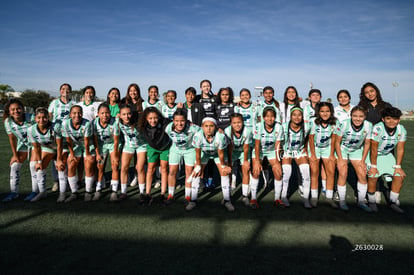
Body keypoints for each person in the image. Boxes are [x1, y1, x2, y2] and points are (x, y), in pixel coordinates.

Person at [366, 107, 407, 213]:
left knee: (399, 176)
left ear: (399, 120)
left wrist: (398, 167)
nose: (391, 121)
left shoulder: (401, 129)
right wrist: (374, 166)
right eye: (388, 118)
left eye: (395, 119)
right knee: (373, 176)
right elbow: (374, 149)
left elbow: (400, 148)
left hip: (387, 155)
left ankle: (393, 202)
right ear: (383, 119)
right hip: (373, 155)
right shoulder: (378, 128)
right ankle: (371, 202)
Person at [334, 106, 372, 211]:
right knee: (343, 172)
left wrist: (363, 161)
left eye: (361, 116)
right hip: (343, 149)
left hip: (356, 150)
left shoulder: (368, 125)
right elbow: (337, 142)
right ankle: (342, 202)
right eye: (355, 116)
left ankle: (361, 202)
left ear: (365, 117)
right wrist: (340, 158)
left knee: (362, 174)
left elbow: (367, 143)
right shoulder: (344, 124)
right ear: (351, 116)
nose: (357, 119)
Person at [190, 117, 233, 211]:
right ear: (202, 127)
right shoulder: (198, 136)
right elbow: (197, 153)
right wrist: (198, 166)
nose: (208, 128)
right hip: (204, 154)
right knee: (197, 173)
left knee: (224, 173)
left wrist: (223, 167)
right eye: (206, 126)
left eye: (211, 126)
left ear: (215, 127)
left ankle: (227, 200)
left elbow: (221, 153)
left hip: (218, 154)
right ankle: (193, 200)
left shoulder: (220, 136)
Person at [165, 109, 201, 205]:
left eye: (182, 121)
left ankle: (187, 196)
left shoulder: (192, 128)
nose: (179, 123)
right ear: (173, 121)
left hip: (189, 150)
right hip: (175, 149)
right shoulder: (168, 128)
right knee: (172, 171)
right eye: (176, 121)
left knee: (189, 172)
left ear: (186, 120)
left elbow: (203, 131)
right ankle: (171, 195)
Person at [2, 98, 35, 202]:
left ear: (23, 109)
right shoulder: (8, 122)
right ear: (9, 112)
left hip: (36, 145)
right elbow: (12, 138)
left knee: (33, 166)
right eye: (13, 110)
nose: (16, 111)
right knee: (14, 166)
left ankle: (35, 191)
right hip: (23, 145)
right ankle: (14, 193)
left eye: (18, 109)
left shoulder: (31, 117)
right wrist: (15, 155)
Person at [279, 107, 312, 208]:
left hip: (299, 151)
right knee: (287, 171)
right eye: (294, 115)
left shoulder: (307, 126)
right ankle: (284, 196)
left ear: (302, 116)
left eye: (299, 115)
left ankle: (306, 198)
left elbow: (308, 138)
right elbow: (279, 141)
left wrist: (306, 148)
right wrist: (280, 153)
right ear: (290, 116)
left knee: (306, 170)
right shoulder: (284, 126)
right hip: (287, 151)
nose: (297, 117)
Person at [61, 105, 95, 202]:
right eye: (74, 113)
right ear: (70, 114)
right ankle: (74, 192)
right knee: (71, 164)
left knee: (88, 165)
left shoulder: (87, 123)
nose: (77, 115)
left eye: (79, 113)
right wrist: (71, 154)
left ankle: (88, 192)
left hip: (87, 146)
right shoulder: (65, 124)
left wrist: (87, 154)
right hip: (75, 146)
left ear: (82, 114)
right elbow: (68, 140)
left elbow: (87, 141)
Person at [138, 107, 172, 204]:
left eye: (155, 118)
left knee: (164, 169)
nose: (153, 120)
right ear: (146, 119)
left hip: (165, 147)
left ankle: (162, 194)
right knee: (150, 169)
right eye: (150, 118)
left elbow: (175, 121)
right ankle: (148, 193)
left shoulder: (164, 122)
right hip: (152, 148)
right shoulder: (142, 125)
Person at [251, 107, 283, 209]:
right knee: (256, 171)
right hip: (259, 151)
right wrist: (256, 161)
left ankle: (277, 199)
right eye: (267, 116)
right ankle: (253, 198)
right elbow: (256, 145)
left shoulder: (279, 127)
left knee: (278, 172)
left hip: (272, 151)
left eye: (272, 116)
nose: (270, 119)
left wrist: (278, 161)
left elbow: (278, 145)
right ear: (263, 117)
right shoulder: (259, 126)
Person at [308, 102, 339, 208]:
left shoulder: (335, 122)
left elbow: (334, 138)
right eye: (322, 111)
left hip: (327, 148)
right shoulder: (313, 121)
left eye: (327, 111)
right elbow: (311, 138)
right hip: (315, 148)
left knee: (330, 172)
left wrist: (331, 154)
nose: (325, 114)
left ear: (331, 112)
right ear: (318, 112)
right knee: (315, 172)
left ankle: (329, 198)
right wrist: (312, 155)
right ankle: (314, 197)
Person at [27, 107, 59, 202]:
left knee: (61, 168)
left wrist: (60, 157)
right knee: (37, 166)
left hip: (59, 148)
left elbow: (60, 144)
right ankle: (41, 192)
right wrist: (39, 161)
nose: (41, 120)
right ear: (35, 118)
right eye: (39, 117)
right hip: (46, 148)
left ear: (48, 117)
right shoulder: (31, 129)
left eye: (44, 117)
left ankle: (63, 189)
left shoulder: (55, 127)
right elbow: (36, 147)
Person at [89, 103, 120, 200]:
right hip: (101, 145)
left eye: (107, 113)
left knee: (114, 165)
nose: (105, 115)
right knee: (100, 166)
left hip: (112, 145)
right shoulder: (94, 123)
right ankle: (98, 189)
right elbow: (94, 140)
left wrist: (115, 155)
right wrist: (97, 154)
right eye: (102, 113)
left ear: (110, 113)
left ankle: (114, 191)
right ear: (98, 114)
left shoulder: (115, 122)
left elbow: (116, 141)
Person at [116, 104, 147, 202]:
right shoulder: (118, 121)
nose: (126, 116)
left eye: (129, 114)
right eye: (124, 114)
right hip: (129, 145)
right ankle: (124, 192)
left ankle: (142, 192)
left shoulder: (139, 121)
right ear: (119, 115)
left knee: (140, 168)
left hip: (141, 145)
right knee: (124, 167)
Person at [48, 83, 73, 192]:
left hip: (68, 134)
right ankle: (56, 181)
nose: (65, 91)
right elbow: (49, 116)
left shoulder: (73, 103)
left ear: (70, 92)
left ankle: (66, 180)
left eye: (68, 89)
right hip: (55, 133)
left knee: (66, 157)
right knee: (55, 157)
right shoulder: (54, 102)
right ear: (60, 91)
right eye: (63, 89)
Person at [224, 113, 253, 206]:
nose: (237, 125)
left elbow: (246, 147)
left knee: (246, 169)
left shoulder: (247, 131)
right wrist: (229, 162)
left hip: (242, 152)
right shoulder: (227, 131)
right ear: (231, 124)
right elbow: (229, 148)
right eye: (234, 123)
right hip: (232, 151)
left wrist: (245, 161)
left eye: (239, 122)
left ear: (243, 122)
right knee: (227, 172)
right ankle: (227, 197)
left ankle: (245, 196)